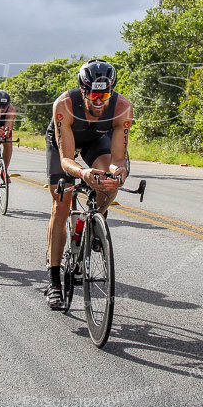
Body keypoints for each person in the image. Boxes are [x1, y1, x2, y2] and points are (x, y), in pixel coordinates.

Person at [43, 59, 133, 309]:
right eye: (93, 94)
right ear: (83, 90)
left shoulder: (123, 107)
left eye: (104, 95)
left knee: (109, 184)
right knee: (61, 204)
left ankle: (95, 220)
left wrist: (119, 172)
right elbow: (66, 159)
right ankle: (53, 280)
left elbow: (116, 159)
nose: (98, 101)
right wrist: (83, 172)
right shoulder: (64, 104)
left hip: (96, 140)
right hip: (63, 144)